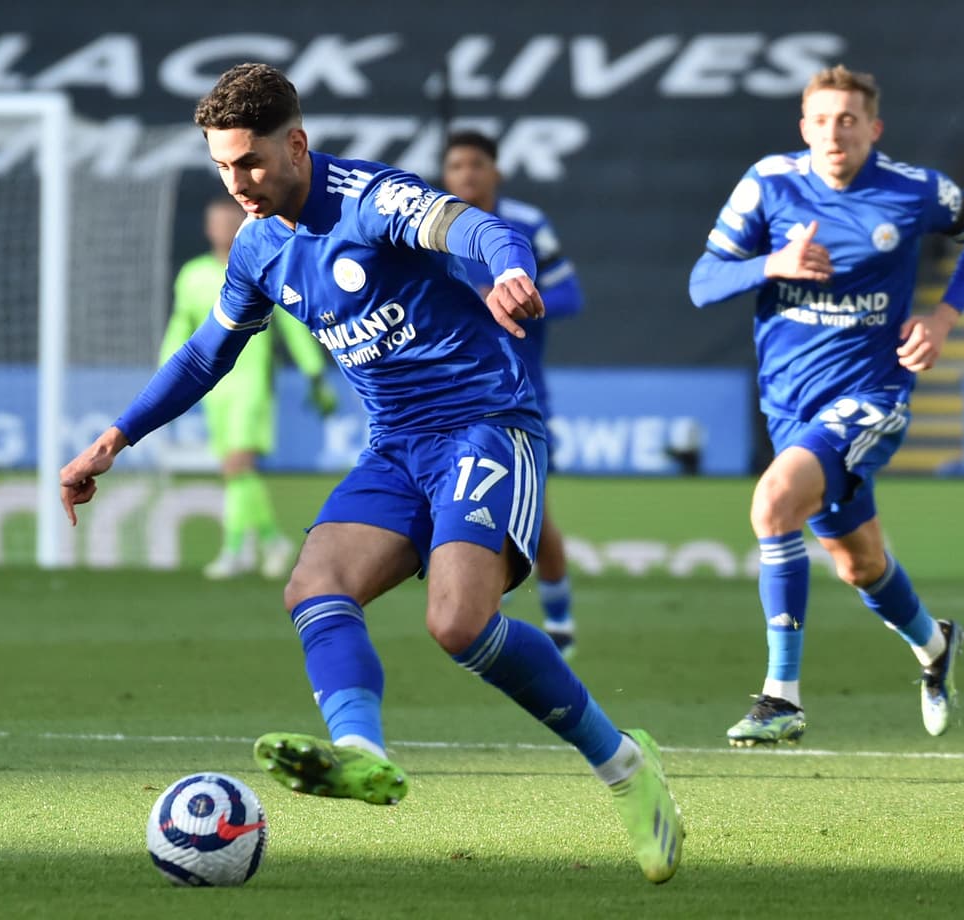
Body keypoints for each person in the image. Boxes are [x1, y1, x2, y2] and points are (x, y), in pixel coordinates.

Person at [60, 62, 682, 883]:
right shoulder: (257, 247)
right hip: (395, 447)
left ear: (297, 144)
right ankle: (360, 753)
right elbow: (208, 353)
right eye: (222, 165)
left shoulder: (372, 199)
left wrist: (508, 271)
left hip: (483, 427)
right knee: (313, 588)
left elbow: (475, 229)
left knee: (458, 625)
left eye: (250, 160)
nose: (237, 180)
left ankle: (625, 768)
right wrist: (117, 436)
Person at [688, 65, 964, 746]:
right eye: (822, 120)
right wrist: (772, 264)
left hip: (870, 395)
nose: (835, 132)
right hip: (788, 405)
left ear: (874, 128)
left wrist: (945, 316)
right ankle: (935, 646)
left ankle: (781, 698)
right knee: (859, 563)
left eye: (849, 120)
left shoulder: (915, 190)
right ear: (804, 127)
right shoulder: (769, 183)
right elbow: (703, 281)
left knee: (773, 504)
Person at [440, 131, 584, 659]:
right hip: (448, 393)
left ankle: (560, 619)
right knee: (463, 508)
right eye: (456, 165)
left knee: (534, 512)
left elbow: (571, 294)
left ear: (496, 171)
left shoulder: (524, 225)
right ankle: (477, 617)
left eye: (477, 164)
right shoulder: (431, 225)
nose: (467, 174)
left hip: (518, 390)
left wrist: (513, 294)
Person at [160, 196, 337, 579]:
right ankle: (272, 541)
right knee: (232, 469)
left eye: (230, 221)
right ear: (208, 229)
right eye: (217, 222)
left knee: (239, 463)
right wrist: (166, 374)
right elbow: (181, 324)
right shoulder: (192, 275)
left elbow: (290, 323)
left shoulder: (258, 265)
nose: (224, 229)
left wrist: (313, 372)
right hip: (212, 389)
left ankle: (236, 549)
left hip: (250, 383)